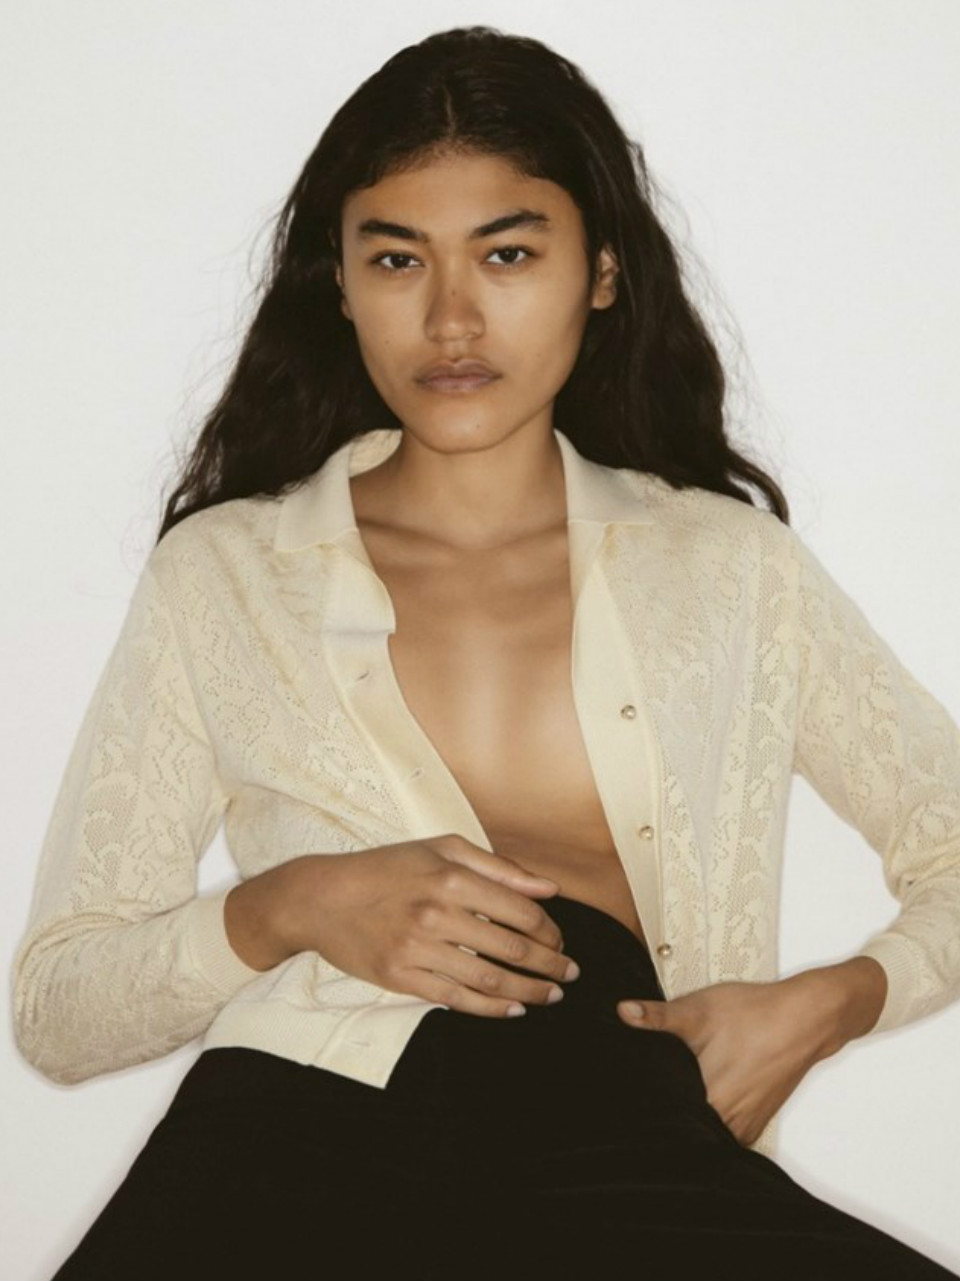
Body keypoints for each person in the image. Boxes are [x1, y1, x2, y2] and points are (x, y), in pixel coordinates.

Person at [13, 24, 960, 1281]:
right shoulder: (227, 574)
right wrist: (290, 905)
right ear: (340, 284)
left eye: (507, 254)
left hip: (624, 1135)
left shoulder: (730, 569)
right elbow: (61, 1009)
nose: (451, 318)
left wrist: (832, 1003)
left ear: (601, 272)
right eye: (397, 258)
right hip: (294, 1137)